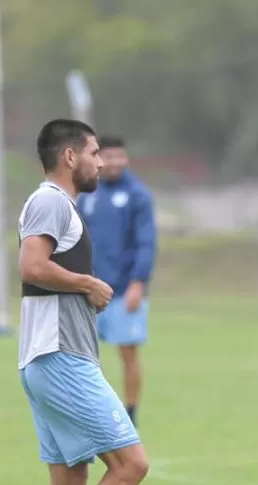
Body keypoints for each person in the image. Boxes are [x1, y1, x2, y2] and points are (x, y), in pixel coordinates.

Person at [17, 119, 150, 485]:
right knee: (131, 464)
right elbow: (32, 266)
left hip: (42, 356)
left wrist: (79, 293)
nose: (100, 161)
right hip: (60, 357)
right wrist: (87, 285)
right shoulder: (51, 200)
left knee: (69, 477)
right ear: (70, 157)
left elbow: (40, 274)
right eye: (93, 152)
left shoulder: (58, 204)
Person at [78, 136, 157, 427]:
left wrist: (139, 282)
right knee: (83, 355)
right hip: (89, 290)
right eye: (107, 157)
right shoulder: (88, 194)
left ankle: (131, 414)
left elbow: (146, 242)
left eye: (119, 157)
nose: (113, 162)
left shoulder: (137, 195)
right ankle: (91, 411)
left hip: (124, 290)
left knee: (128, 353)